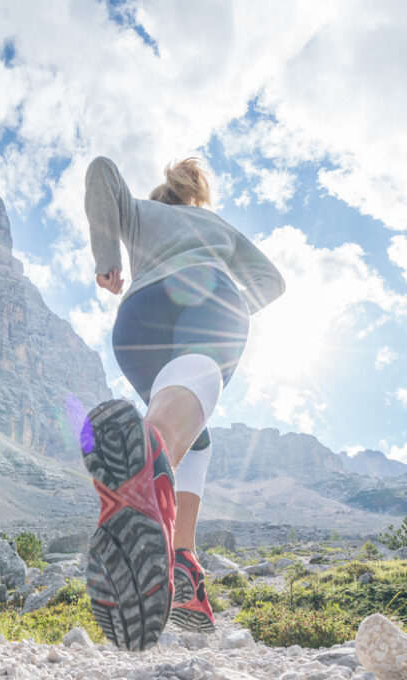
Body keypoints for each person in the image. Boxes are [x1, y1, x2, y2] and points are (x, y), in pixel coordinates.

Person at [80, 155, 285, 651]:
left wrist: (108, 258)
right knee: (191, 394)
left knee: (195, 438)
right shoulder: (213, 223)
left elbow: (104, 171)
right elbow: (272, 282)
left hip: (136, 320)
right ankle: (149, 463)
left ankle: (179, 561)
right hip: (209, 295)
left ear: (160, 196)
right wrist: (230, 299)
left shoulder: (143, 215)